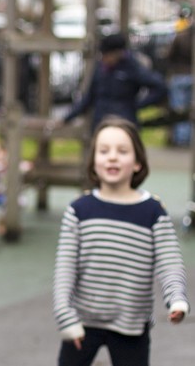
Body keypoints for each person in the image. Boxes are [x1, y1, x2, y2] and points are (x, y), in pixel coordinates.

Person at [53, 116, 189, 366]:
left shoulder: (153, 212)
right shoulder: (79, 211)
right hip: (82, 323)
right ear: (93, 162)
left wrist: (176, 298)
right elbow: (65, 269)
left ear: (137, 162)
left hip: (132, 325)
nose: (112, 157)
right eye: (104, 151)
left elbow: (170, 263)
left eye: (122, 151)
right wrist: (65, 315)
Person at [62, 32, 167, 132]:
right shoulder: (100, 68)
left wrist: (138, 105)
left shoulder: (132, 67)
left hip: (123, 122)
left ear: (118, 53)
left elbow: (159, 86)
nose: (104, 58)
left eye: (107, 55)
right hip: (101, 122)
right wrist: (67, 118)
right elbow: (89, 96)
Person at [166, 19, 193, 145]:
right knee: (189, 108)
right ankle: (187, 137)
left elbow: (170, 55)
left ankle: (181, 139)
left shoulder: (180, 37)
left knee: (179, 108)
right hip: (191, 74)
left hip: (179, 74)